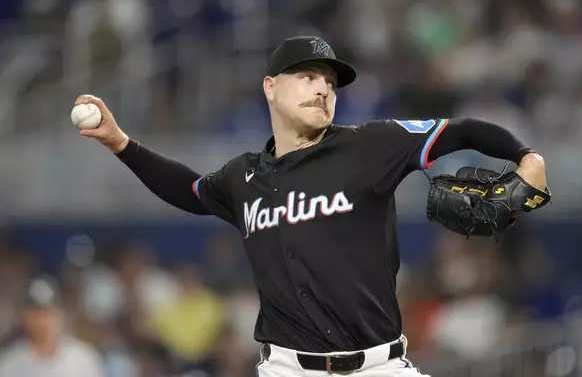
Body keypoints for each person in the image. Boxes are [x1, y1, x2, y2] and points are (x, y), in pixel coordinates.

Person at [75, 36, 548, 376]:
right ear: (270, 87)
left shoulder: (369, 145)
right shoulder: (243, 177)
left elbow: (460, 130)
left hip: (378, 366)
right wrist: (121, 143)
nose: (323, 88)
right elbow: (190, 191)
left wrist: (528, 157)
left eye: (329, 82)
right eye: (307, 77)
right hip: (286, 369)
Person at [0, 276, 104, 377]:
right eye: (36, 314)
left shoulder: (83, 358)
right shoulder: (10, 362)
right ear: (25, 317)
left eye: (48, 313)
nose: (43, 321)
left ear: (60, 314)